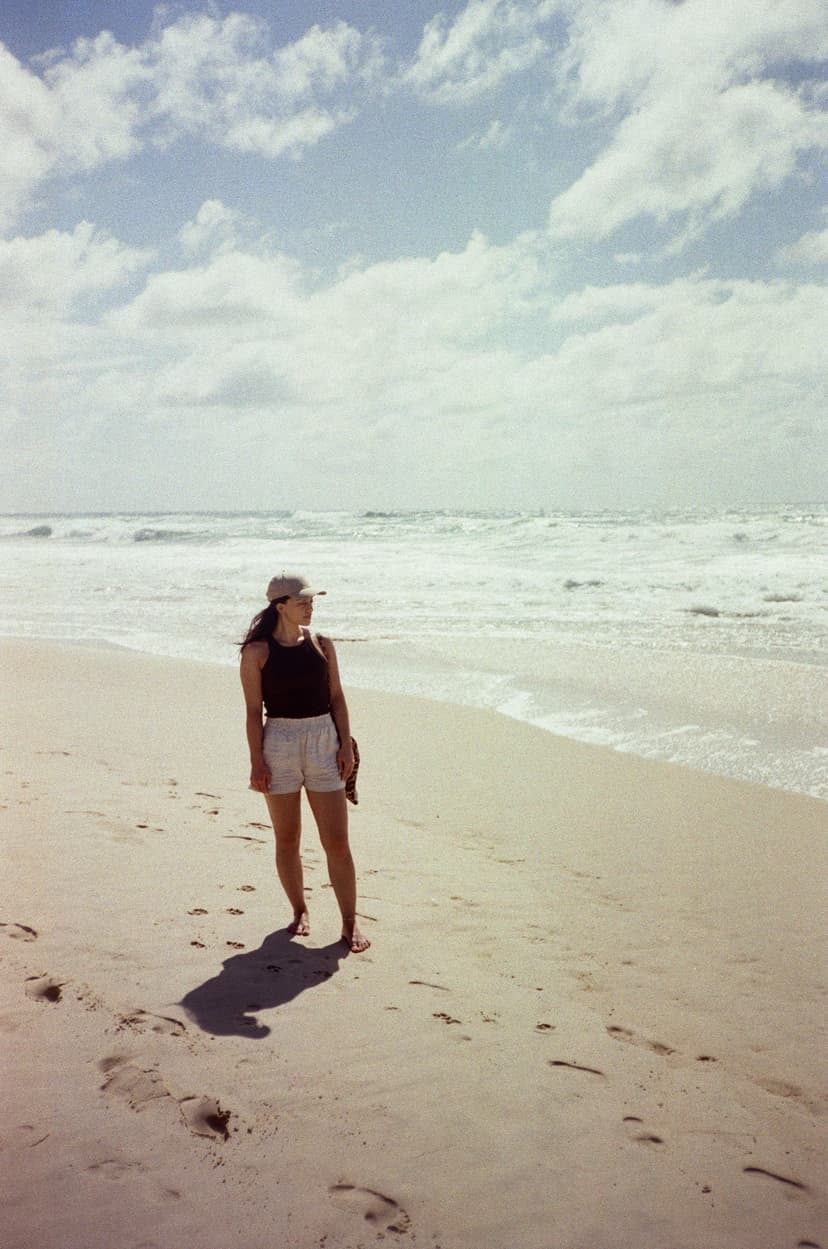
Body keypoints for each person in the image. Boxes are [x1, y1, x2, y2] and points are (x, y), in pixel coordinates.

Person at [239, 573, 370, 954]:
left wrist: (345, 745)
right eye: (303, 602)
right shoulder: (256, 653)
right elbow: (251, 712)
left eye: (312, 602)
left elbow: (338, 699)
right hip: (277, 742)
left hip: (323, 741)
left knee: (337, 842)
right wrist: (256, 761)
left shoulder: (322, 645)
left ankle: (349, 920)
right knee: (288, 839)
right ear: (280, 606)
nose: (310, 607)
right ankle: (299, 911)